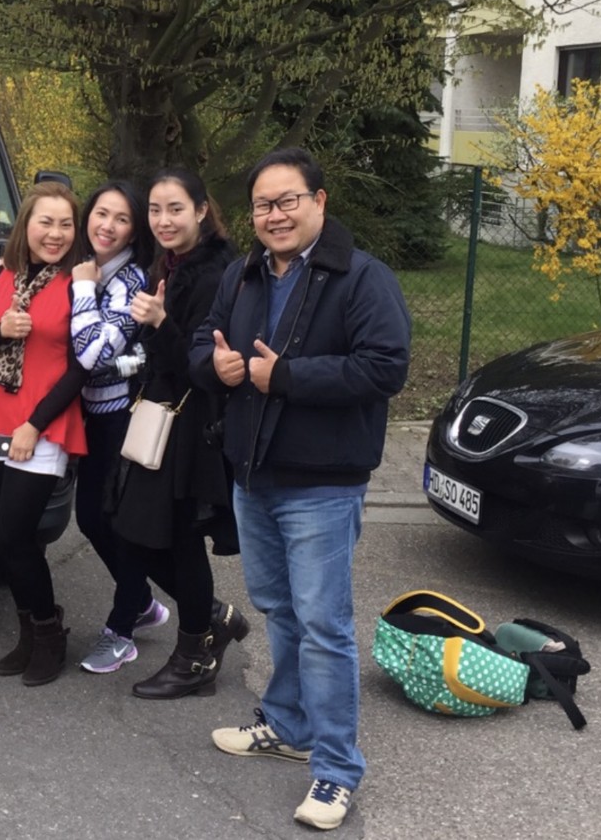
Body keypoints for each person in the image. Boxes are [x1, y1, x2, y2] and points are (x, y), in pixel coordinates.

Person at [189, 148, 411, 831]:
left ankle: (337, 770)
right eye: (263, 204)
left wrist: (284, 378)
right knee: (279, 610)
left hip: (322, 485)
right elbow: (201, 342)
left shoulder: (362, 277)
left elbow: (385, 368)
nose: (274, 215)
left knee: (324, 627)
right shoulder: (244, 274)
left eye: (287, 200)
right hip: (252, 475)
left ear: (319, 201)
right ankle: (288, 726)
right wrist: (215, 366)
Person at [108, 168, 250, 700]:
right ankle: (211, 618)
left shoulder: (215, 274)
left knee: (178, 539)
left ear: (201, 211)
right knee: (131, 531)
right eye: (155, 210)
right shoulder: (169, 263)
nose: (163, 220)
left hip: (192, 425)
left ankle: (195, 656)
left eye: (175, 209)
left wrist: (160, 321)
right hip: (159, 416)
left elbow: (200, 365)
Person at [0, 180, 88, 687]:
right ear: (26, 226)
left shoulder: (79, 284)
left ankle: (50, 635)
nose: (55, 234)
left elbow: (81, 367)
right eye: (45, 222)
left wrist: (34, 425)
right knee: (6, 540)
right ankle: (30, 633)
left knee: (16, 536)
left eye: (65, 224)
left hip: (42, 422)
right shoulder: (0, 276)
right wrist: (2, 332)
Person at [66, 181, 171, 675]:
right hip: (88, 414)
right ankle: (142, 601)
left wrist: (84, 289)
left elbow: (91, 352)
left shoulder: (130, 281)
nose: (107, 226)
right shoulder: (87, 265)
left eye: (122, 219)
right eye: (101, 214)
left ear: (134, 230)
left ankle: (122, 629)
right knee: (91, 519)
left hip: (121, 417)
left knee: (113, 523)